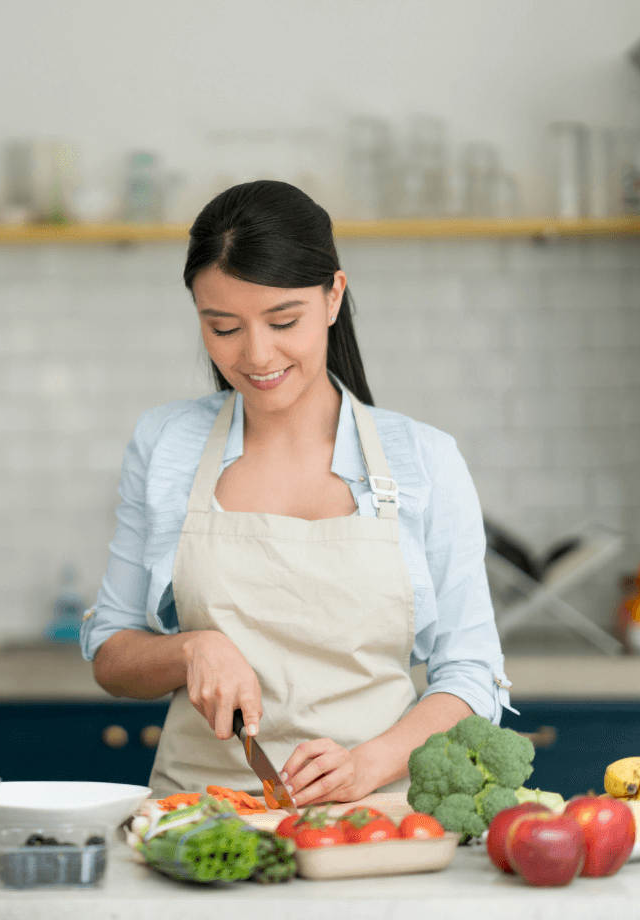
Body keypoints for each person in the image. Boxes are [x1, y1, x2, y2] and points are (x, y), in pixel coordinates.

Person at [80, 180, 512, 805]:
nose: (257, 355)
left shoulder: (424, 460)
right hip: (202, 823)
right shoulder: (166, 444)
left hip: (371, 821)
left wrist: (369, 765)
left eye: (284, 321)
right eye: (223, 326)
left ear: (334, 296)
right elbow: (112, 655)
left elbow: (471, 675)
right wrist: (190, 650)